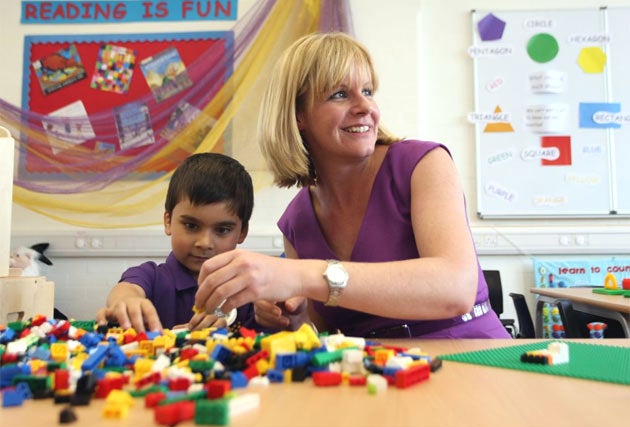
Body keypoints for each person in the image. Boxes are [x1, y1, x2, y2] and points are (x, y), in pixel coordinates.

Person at [193, 32, 511, 339]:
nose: (366, 107)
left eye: (368, 91)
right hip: (376, 376)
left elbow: (455, 288)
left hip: (472, 358)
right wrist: (294, 317)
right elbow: (326, 334)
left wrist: (299, 276)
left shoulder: (422, 164)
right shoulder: (297, 220)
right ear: (298, 114)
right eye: (340, 94)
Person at [96, 152, 257, 333]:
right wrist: (126, 302)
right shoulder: (151, 276)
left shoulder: (249, 289)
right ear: (168, 221)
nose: (204, 243)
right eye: (191, 225)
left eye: (222, 230)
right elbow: (127, 290)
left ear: (242, 232)